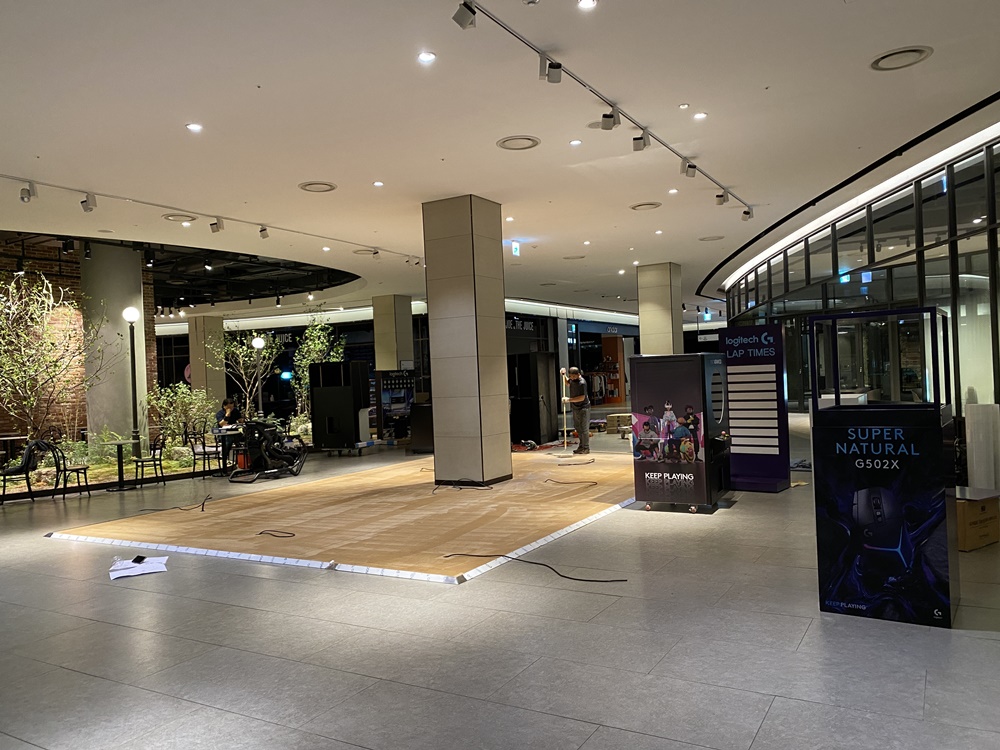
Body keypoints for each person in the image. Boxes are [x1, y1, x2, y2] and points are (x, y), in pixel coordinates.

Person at [560, 367, 591, 454]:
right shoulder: (572, 380)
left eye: (574, 376)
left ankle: (586, 448)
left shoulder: (582, 383)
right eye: (570, 376)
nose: (572, 378)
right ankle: (581, 446)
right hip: (575, 407)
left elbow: (582, 397)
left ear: (578, 374)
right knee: (578, 428)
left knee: (584, 428)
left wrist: (568, 400)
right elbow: (567, 382)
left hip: (584, 407)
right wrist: (563, 375)